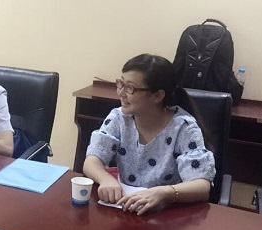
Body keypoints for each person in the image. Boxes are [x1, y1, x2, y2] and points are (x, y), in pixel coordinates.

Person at [83, 54, 215, 215]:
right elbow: (92, 160)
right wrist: (105, 179)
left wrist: (164, 193)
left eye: (130, 88)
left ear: (157, 96)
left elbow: (202, 187)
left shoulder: (183, 127)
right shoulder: (119, 118)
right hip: (127, 209)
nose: (121, 93)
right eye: (121, 84)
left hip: (168, 215)